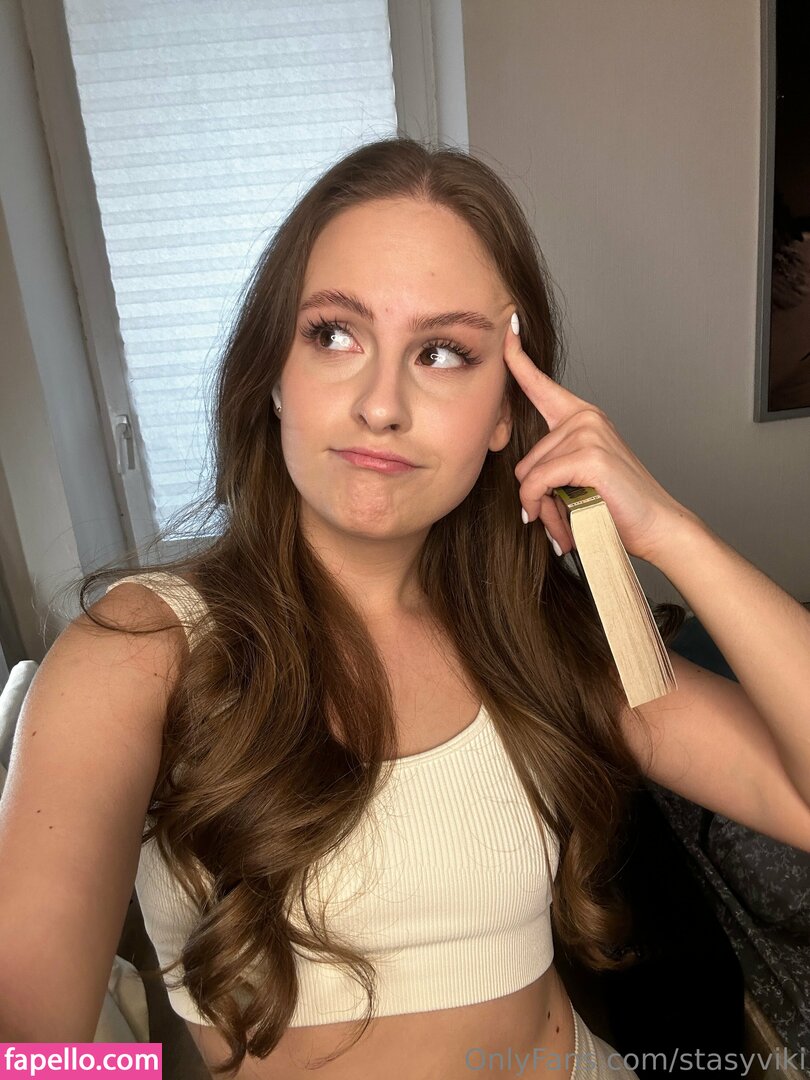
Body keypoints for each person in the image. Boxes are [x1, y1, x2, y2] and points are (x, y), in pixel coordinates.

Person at [6, 136, 810, 1079]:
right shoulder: (142, 651)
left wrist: (672, 532)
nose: (381, 404)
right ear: (274, 374)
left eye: (442, 352)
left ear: (505, 413)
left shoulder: (542, 641)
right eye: (334, 335)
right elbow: (30, 1053)